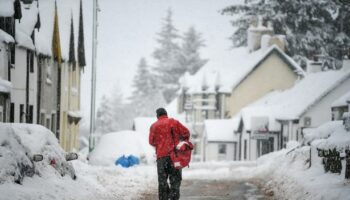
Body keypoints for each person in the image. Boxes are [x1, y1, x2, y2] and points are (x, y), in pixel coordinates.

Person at [149, 108, 190, 200]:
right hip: (174, 157)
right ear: (166, 114)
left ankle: (164, 197)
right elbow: (186, 133)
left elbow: (151, 142)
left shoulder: (154, 126)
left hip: (161, 158)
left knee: (162, 182)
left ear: (157, 116)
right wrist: (180, 141)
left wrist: (160, 144)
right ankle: (174, 197)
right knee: (175, 181)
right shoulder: (174, 122)